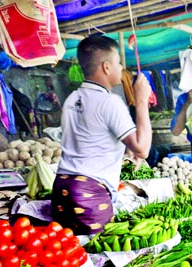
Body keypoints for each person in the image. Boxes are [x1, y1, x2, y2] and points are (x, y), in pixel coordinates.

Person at [52, 34, 152, 235]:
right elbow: (143, 149)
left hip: (62, 189)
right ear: (106, 67)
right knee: (100, 253)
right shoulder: (110, 102)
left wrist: (124, 151)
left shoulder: (74, 99)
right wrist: (141, 100)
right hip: (88, 194)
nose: (121, 67)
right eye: (118, 63)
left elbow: (94, 138)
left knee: (74, 252)